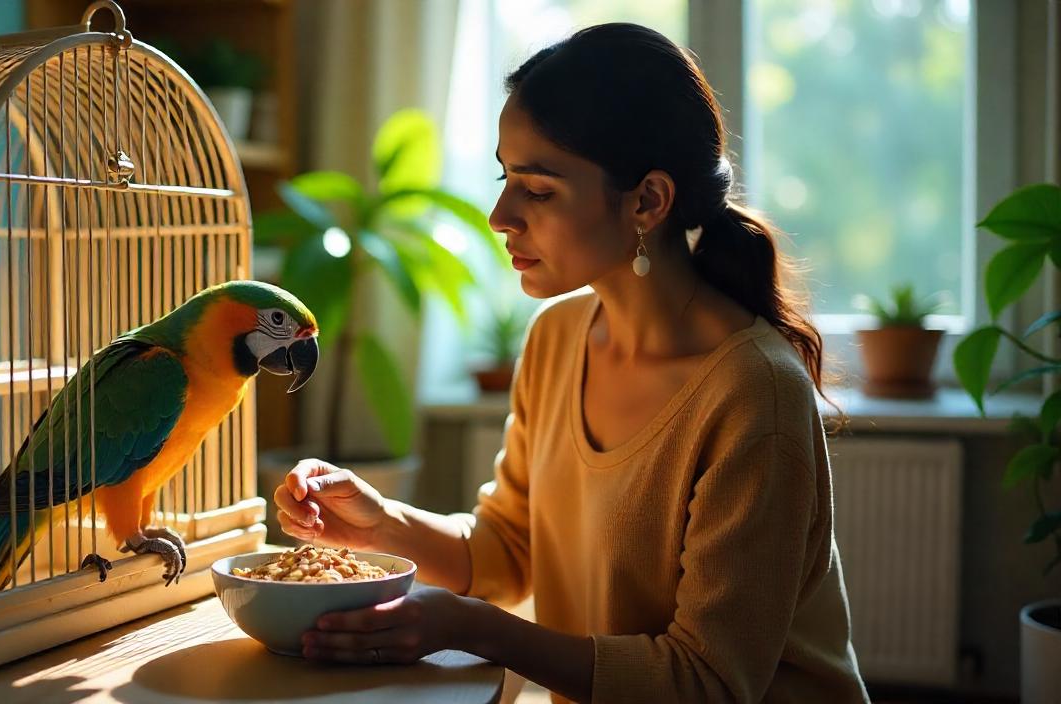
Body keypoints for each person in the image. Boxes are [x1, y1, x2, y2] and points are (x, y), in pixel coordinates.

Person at [272, 23, 870, 704]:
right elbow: (506, 549)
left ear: (647, 200)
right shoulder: (556, 337)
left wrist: (481, 630)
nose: (500, 215)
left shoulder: (754, 394)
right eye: (506, 178)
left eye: (539, 189)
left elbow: (707, 683)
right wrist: (380, 523)